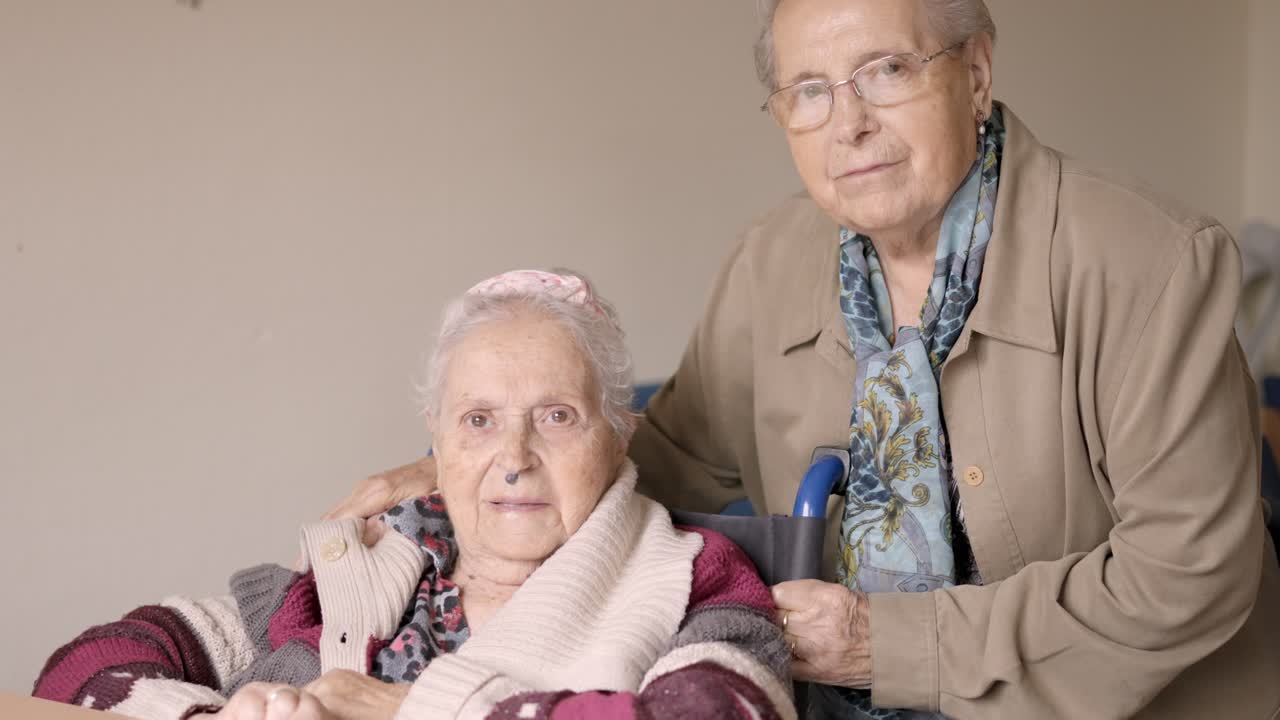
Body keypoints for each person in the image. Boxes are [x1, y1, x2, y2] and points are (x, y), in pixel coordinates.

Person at [324, 1, 1280, 717]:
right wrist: (483, 473)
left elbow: (1186, 576)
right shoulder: (771, 260)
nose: (847, 123)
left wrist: (881, 645)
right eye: (810, 91)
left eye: (887, 72)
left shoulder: (1152, 262)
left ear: (977, 71)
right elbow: (655, 462)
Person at [32, 270, 794, 720]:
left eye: (556, 417)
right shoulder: (365, 567)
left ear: (620, 431)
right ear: (437, 437)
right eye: (478, 421)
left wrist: (419, 712)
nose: (515, 457)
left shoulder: (696, 582)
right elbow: (88, 662)